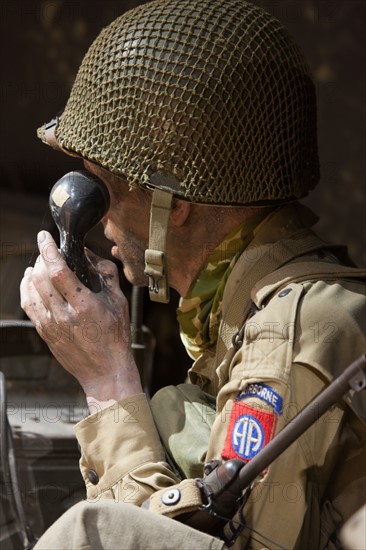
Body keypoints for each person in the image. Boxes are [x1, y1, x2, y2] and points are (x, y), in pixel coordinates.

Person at [20, 0, 366, 548]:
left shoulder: (293, 333)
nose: (97, 217)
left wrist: (109, 384)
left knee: (93, 532)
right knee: (173, 414)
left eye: (102, 186)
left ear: (171, 202)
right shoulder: (252, 310)